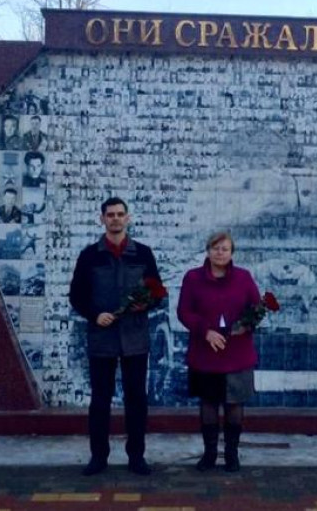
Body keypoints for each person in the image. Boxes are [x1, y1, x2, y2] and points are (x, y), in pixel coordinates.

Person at [68, 197, 162, 477]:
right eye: (110, 215)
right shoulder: (90, 255)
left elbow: (157, 292)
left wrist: (144, 303)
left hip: (135, 339)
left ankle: (137, 457)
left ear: (128, 218)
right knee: (100, 400)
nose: (116, 219)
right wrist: (95, 314)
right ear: (102, 219)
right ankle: (98, 457)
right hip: (102, 338)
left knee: (136, 400)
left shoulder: (142, 254)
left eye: (120, 214)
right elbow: (77, 296)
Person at [177, 232, 261, 473]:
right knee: (209, 403)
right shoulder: (193, 278)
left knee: (234, 405)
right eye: (215, 248)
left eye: (225, 249)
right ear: (208, 251)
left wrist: (246, 325)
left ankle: (231, 454)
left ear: (232, 253)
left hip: (237, 353)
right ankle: (210, 453)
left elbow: (256, 308)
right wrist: (206, 331)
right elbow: (184, 312)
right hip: (206, 353)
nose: (220, 253)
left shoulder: (244, 278)